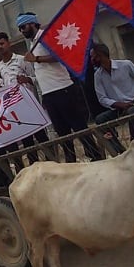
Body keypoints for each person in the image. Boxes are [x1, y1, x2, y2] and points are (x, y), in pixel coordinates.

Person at [20, 12, 103, 163]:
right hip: (49, 93)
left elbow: (60, 55)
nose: (22, 31)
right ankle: (71, 162)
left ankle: (96, 156)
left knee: (78, 126)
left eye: (23, 26)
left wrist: (36, 59)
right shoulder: (33, 43)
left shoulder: (46, 36)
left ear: (32, 24)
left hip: (62, 88)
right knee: (62, 132)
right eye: (19, 28)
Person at [0, 31, 54, 167]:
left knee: (41, 137)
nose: (0, 47)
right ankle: (34, 168)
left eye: (2, 43)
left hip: (29, 105)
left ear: (8, 43)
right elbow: (7, 85)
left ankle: (51, 163)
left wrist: (27, 79)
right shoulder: (0, 66)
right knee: (27, 142)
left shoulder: (21, 59)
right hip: (15, 110)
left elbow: (36, 78)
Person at [91, 43, 134, 155]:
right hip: (117, 108)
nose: (92, 60)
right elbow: (102, 98)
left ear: (100, 56)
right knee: (100, 119)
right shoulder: (98, 75)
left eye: (93, 57)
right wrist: (118, 104)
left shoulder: (125, 65)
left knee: (132, 112)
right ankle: (120, 151)